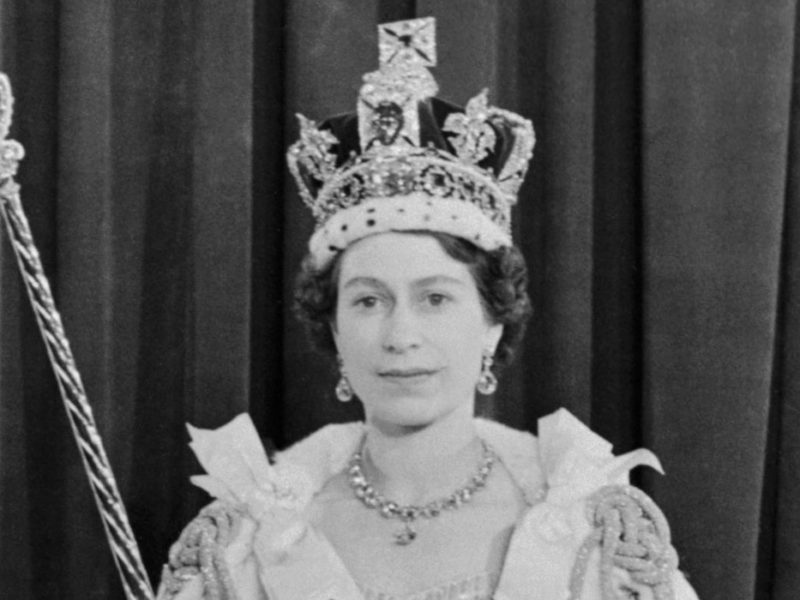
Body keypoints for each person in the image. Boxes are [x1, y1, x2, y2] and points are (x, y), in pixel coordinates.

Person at [157, 18, 700, 600]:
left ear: (494, 321)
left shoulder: (596, 534)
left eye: (435, 298)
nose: (400, 335)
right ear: (333, 326)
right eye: (368, 300)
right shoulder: (248, 540)